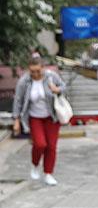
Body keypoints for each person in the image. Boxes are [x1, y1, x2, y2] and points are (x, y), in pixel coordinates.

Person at [12, 54, 67, 186]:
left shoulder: (51, 76)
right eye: (32, 71)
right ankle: (35, 164)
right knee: (40, 144)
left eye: (38, 71)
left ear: (43, 68)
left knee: (51, 146)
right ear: (28, 70)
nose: (35, 74)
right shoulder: (24, 81)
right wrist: (16, 120)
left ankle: (48, 173)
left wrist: (57, 89)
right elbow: (18, 100)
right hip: (34, 117)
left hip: (52, 117)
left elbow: (64, 87)